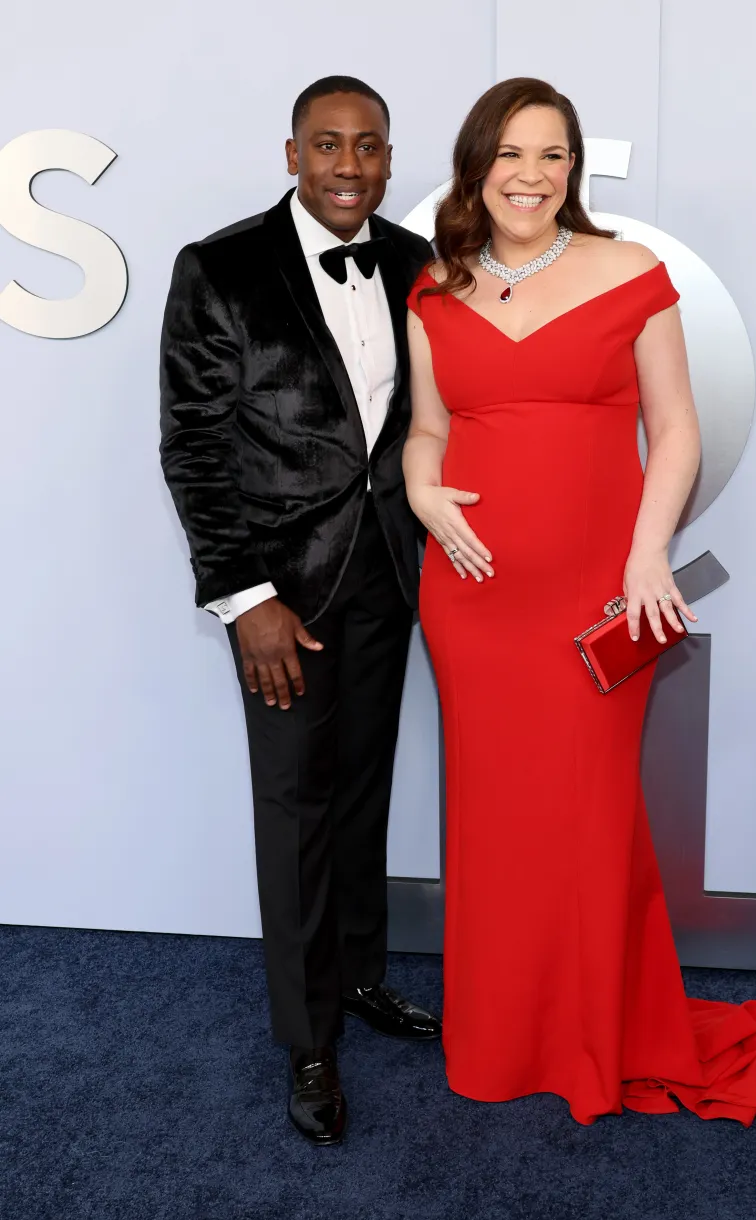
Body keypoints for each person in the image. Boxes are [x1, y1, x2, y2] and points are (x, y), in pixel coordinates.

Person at [403, 77, 756, 1126]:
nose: (531, 176)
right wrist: (420, 486)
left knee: (587, 818)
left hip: (597, 587)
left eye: (552, 155)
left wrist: (648, 556)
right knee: (493, 821)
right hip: (472, 594)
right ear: (476, 165)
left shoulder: (632, 273)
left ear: (574, 169)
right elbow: (423, 429)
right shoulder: (433, 291)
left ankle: (592, 1035)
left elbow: (675, 429)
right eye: (510, 154)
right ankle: (500, 1035)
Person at [160, 76, 439, 1147]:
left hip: (390, 580)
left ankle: (362, 974)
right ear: (291, 154)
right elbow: (193, 446)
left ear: (387, 157)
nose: (349, 168)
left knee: (363, 788)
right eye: (328, 145)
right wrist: (246, 600)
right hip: (283, 597)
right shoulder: (219, 267)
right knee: (297, 810)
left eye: (369, 148)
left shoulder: (417, 267)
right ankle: (310, 1038)